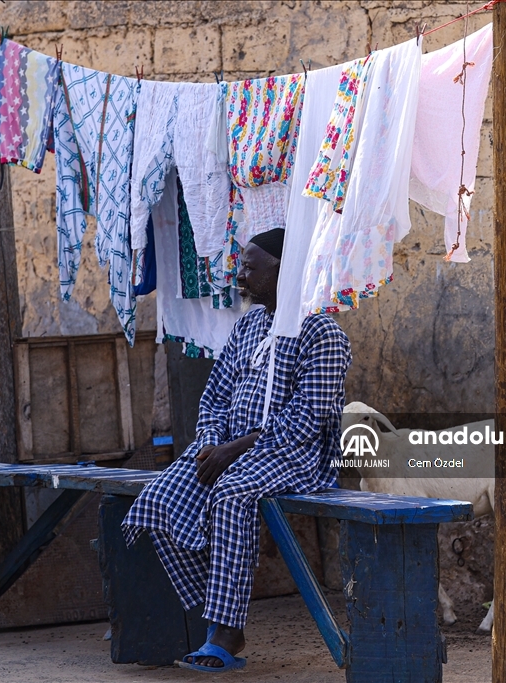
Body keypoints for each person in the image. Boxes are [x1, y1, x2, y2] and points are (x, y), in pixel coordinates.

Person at [122, 227, 352, 671]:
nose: (240, 276)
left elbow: (306, 421)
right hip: (230, 451)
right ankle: (215, 611)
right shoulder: (249, 324)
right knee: (157, 500)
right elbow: (214, 398)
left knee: (230, 495)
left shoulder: (323, 333)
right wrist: (210, 445)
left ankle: (226, 632)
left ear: (283, 272)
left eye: (250, 267)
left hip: (295, 456)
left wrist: (233, 451)